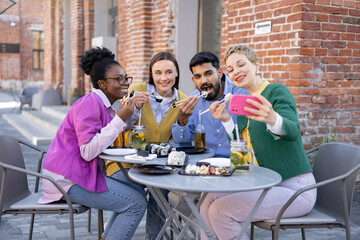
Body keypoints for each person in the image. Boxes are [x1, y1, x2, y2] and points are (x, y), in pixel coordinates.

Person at [200, 44, 316, 239]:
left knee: (220, 211)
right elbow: (243, 150)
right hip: (267, 186)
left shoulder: (276, 91)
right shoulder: (246, 101)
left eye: (240, 64)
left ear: (256, 65)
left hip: (295, 190)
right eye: (230, 70)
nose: (235, 71)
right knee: (207, 200)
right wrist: (227, 120)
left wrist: (273, 119)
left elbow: (294, 131)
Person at [38, 47, 147, 240]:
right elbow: (87, 151)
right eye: (119, 79)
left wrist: (133, 110)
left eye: (126, 78)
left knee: (137, 189)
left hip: (79, 173)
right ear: (102, 84)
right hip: (66, 180)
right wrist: (120, 119)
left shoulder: (105, 106)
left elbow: (117, 129)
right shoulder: (89, 103)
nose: (126, 84)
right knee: (135, 203)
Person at [106, 51, 187, 240]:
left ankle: (154, 237)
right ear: (152, 74)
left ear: (176, 74)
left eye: (169, 72)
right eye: (158, 72)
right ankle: (109, 234)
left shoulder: (182, 100)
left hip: (157, 164)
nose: (163, 78)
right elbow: (119, 126)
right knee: (132, 196)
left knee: (161, 194)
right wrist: (134, 109)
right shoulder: (136, 90)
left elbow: (178, 141)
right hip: (125, 161)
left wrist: (183, 120)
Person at [171, 51, 248, 157]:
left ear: (220, 73)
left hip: (237, 163)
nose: (203, 81)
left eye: (208, 73)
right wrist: (182, 120)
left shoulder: (242, 94)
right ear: (193, 80)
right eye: (198, 76)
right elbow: (182, 143)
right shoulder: (193, 101)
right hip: (204, 165)